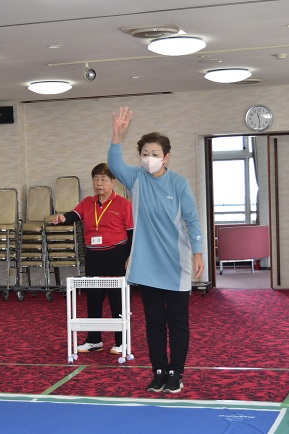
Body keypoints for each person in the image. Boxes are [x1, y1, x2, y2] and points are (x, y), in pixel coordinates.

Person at [107, 107, 204, 394]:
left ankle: (176, 371)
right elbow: (114, 164)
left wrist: (198, 252)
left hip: (175, 264)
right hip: (147, 265)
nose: (149, 158)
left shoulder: (179, 182)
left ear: (167, 157)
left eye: (155, 153)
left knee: (178, 323)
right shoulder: (136, 178)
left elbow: (192, 219)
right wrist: (117, 137)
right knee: (154, 323)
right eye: (145, 153)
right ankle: (159, 370)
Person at [53, 163, 134, 355]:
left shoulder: (124, 204)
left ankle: (121, 342)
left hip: (116, 254)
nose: (99, 183)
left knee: (117, 299)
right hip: (93, 255)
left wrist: (131, 256)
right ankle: (94, 339)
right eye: (96, 179)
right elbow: (74, 214)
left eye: (103, 179)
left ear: (113, 182)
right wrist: (63, 218)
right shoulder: (87, 202)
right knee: (94, 297)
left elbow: (132, 232)